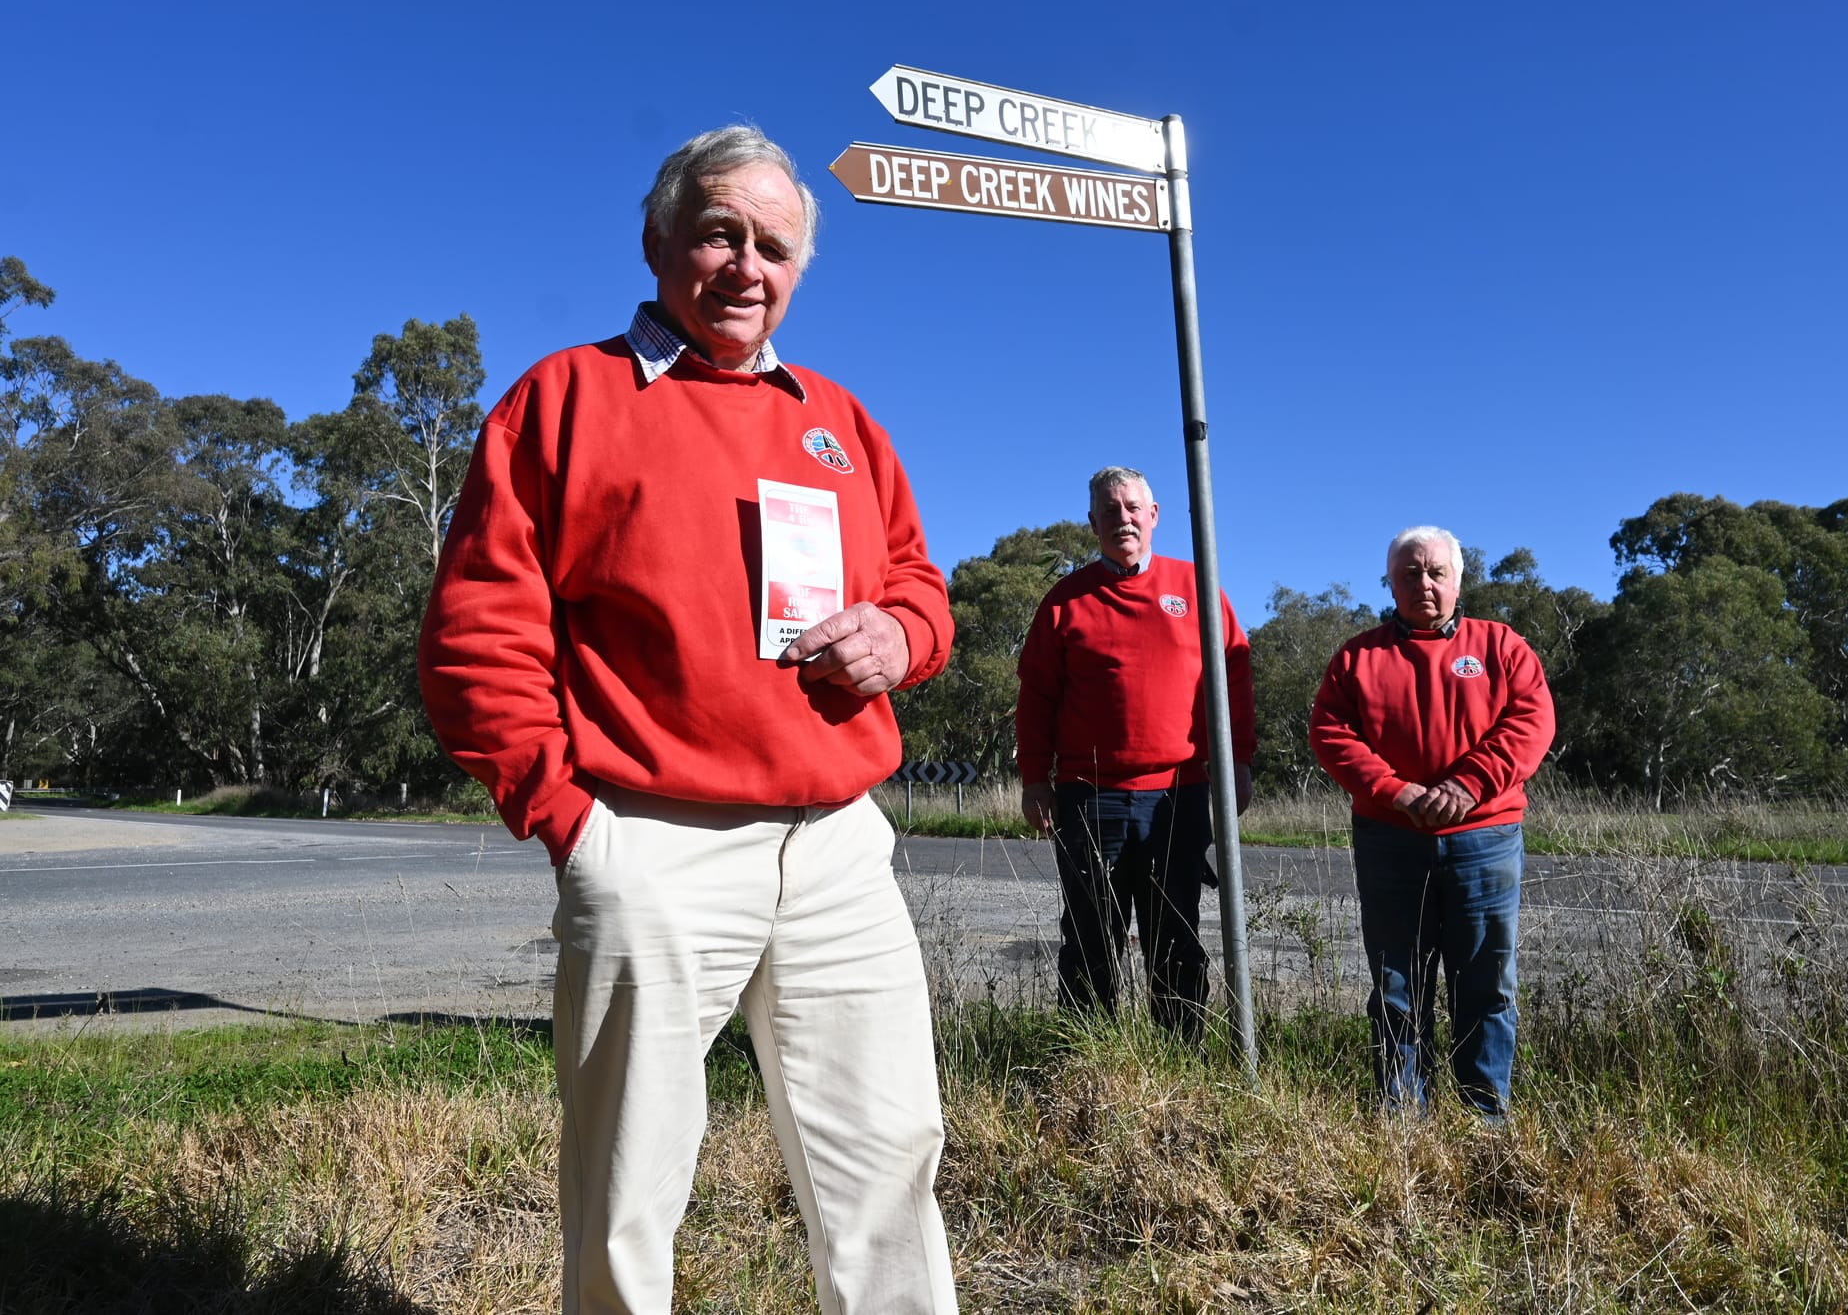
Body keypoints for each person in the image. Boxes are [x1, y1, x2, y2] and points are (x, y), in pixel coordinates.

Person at [418, 126, 958, 1313]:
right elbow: (475, 637)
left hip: (836, 844)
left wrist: (901, 637)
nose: (746, 265)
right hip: (648, 841)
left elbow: (918, 584)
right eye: (720, 232)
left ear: (799, 272)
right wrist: (572, 820)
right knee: (627, 1192)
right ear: (661, 239)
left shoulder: (842, 423)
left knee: (888, 1161)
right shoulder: (564, 398)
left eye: (774, 246)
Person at [1309, 526, 1555, 1118]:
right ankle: (1402, 1125)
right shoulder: (1357, 658)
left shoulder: (1502, 647)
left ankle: (1484, 1121)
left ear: (1458, 579)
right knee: (1397, 989)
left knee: (1487, 986)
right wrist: (1396, 792)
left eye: (1436, 572)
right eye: (1410, 573)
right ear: (1390, 583)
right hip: (1391, 840)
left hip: (1484, 839)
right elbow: (1331, 733)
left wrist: (1468, 784)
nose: (1424, 583)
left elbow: (1531, 722)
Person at [1014, 466, 1254, 1040]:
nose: (1122, 518)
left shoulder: (1198, 587)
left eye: (1132, 507)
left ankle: (1181, 1064)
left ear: (1153, 515)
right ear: (1093, 523)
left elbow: (1235, 676)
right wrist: (1034, 778)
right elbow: (1037, 694)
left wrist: (1239, 763)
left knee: (1176, 936)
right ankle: (1088, 1065)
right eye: (1110, 510)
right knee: (1091, 937)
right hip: (1088, 799)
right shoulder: (1065, 601)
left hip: (1180, 796)